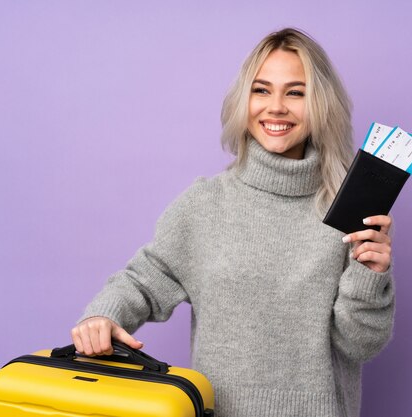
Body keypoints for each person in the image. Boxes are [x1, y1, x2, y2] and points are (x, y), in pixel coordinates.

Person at [71, 28, 395, 417]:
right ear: (244, 102)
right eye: (261, 90)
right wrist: (103, 315)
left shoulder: (348, 210)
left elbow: (361, 345)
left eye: (295, 92)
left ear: (322, 104)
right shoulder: (205, 205)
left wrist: (369, 276)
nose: (275, 107)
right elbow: (143, 280)